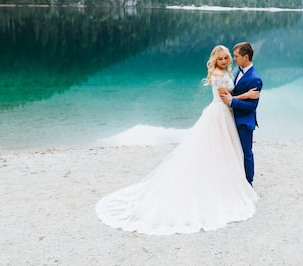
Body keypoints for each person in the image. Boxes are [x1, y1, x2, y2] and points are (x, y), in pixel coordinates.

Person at [96, 45, 260, 235]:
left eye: (227, 58)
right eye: (221, 58)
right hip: (220, 113)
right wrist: (247, 95)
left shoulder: (226, 71)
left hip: (225, 115)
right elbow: (226, 98)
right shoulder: (217, 74)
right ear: (214, 60)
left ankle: (231, 178)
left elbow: (230, 96)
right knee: (218, 147)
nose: (224, 61)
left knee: (224, 149)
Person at [220, 42, 262, 186]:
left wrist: (233, 102)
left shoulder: (255, 79)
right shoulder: (239, 70)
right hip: (232, 118)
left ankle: (249, 182)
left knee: (246, 152)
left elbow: (252, 106)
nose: (234, 58)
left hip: (244, 121)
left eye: (236, 56)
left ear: (246, 57)